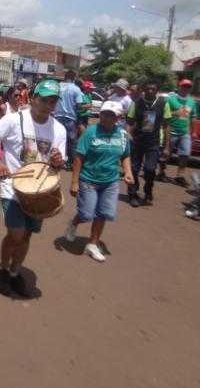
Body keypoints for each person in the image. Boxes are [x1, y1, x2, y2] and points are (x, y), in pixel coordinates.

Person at [0, 79, 66, 298]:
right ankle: (1, 269)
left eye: (52, 101)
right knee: (16, 235)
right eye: (44, 99)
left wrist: (57, 161)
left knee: (27, 236)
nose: (48, 104)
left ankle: (15, 273)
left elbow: (59, 163)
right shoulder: (14, 120)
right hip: (12, 187)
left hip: (39, 191)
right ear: (34, 98)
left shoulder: (59, 129)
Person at [64, 101, 134, 262]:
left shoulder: (122, 135)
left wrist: (128, 171)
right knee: (86, 214)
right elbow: (79, 157)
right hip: (89, 179)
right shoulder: (91, 132)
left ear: (118, 117)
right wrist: (74, 182)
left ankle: (92, 244)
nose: (106, 117)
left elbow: (125, 155)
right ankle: (74, 223)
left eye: (111, 115)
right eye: (104, 113)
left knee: (104, 213)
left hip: (111, 182)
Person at [126, 80, 171, 207]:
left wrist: (167, 147)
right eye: (148, 88)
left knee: (150, 169)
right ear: (143, 90)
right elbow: (129, 121)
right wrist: (128, 134)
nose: (150, 91)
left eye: (153, 89)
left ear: (157, 90)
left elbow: (167, 126)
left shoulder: (163, 103)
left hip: (154, 142)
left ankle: (148, 190)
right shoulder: (137, 103)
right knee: (134, 168)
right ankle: (133, 194)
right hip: (137, 141)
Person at [158, 79, 197, 186]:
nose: (186, 88)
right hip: (171, 131)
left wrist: (194, 132)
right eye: (184, 86)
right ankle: (161, 172)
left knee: (185, 154)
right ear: (179, 87)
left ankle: (179, 176)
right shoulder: (170, 99)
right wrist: (176, 113)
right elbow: (163, 114)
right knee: (166, 154)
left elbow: (193, 117)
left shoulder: (191, 101)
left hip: (185, 132)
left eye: (188, 87)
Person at [55, 70, 83, 169]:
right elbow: (79, 105)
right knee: (71, 141)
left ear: (65, 77)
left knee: (57, 139)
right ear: (74, 78)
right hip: (70, 117)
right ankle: (71, 163)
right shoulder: (76, 89)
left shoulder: (58, 86)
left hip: (57, 116)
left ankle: (56, 160)